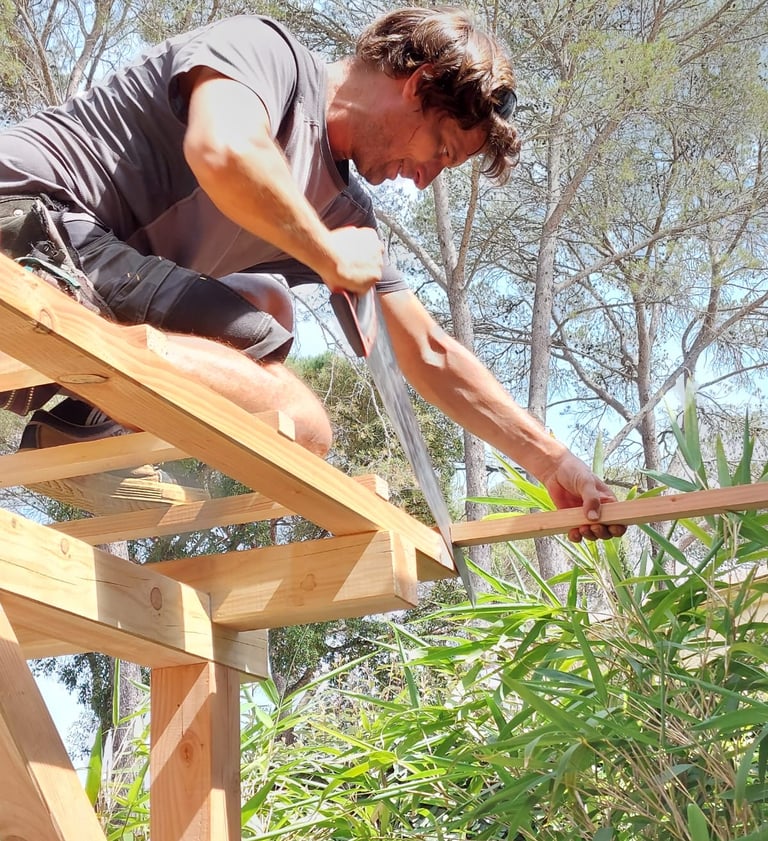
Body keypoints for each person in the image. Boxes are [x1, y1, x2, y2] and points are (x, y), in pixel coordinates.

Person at [0, 6, 623, 541]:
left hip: (83, 274)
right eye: (440, 149)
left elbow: (429, 353)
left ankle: (78, 425)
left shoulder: (342, 210)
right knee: (297, 416)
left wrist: (551, 461)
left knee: (270, 305)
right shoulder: (267, 54)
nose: (427, 176)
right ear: (419, 83)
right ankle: (101, 387)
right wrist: (325, 252)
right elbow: (224, 150)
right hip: (25, 222)